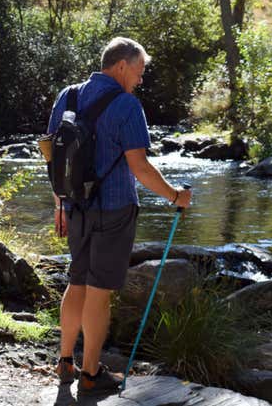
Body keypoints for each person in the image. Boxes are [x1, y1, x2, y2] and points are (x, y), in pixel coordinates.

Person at [46, 37, 192, 395]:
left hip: (75, 206)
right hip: (114, 209)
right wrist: (175, 196)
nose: (140, 80)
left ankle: (65, 362)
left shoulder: (68, 96)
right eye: (139, 72)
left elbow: (52, 153)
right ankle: (91, 374)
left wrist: (59, 202)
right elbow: (139, 167)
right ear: (122, 65)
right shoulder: (127, 105)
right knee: (99, 292)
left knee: (77, 282)